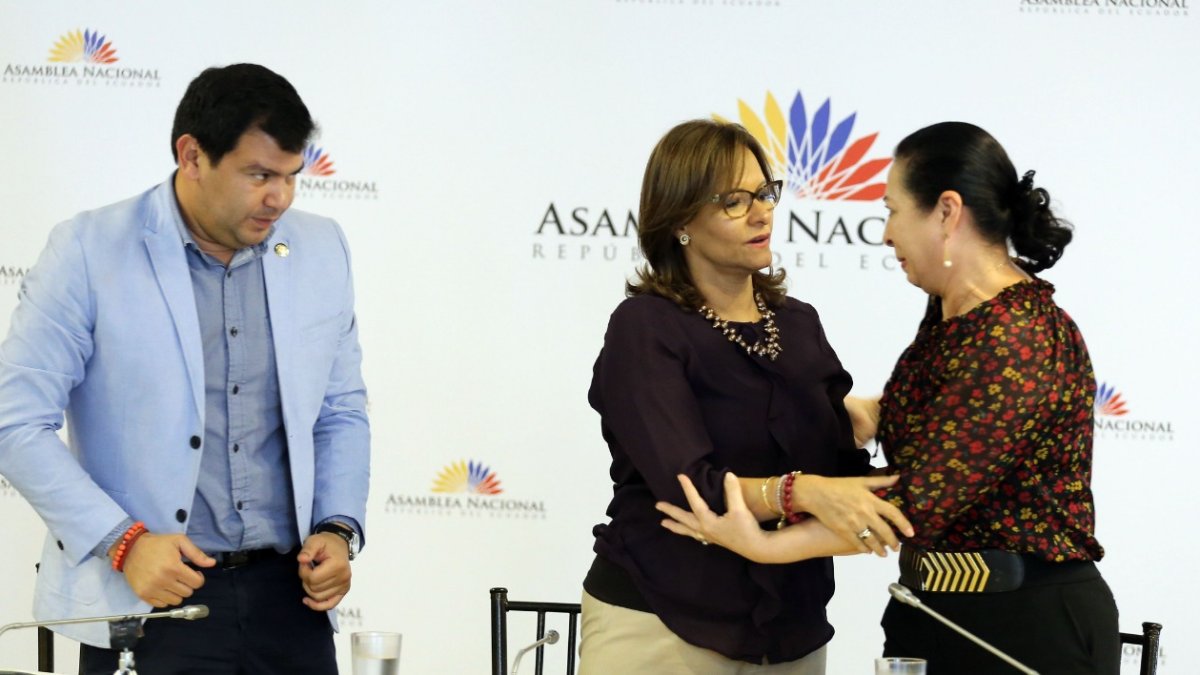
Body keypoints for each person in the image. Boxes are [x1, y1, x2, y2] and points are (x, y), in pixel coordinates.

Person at [657, 122, 1119, 674]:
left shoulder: (1016, 333)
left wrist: (761, 543)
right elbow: (921, 422)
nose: (885, 234)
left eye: (893, 211)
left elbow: (912, 503)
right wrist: (812, 420)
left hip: (1022, 626)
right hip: (933, 610)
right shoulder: (952, 312)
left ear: (946, 212)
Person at [0, 63, 370, 674]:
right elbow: (14, 422)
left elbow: (340, 411)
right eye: (259, 175)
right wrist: (123, 543)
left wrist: (337, 528)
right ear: (192, 155)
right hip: (149, 599)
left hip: (292, 601)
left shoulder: (321, 247)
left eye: (291, 177)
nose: (279, 198)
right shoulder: (90, 249)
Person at [580, 119, 913, 675]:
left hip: (791, 628)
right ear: (680, 220)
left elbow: (843, 471)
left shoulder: (798, 324)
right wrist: (801, 491)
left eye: (764, 193)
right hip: (663, 620)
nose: (762, 213)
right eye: (734, 201)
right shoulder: (646, 327)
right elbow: (690, 487)